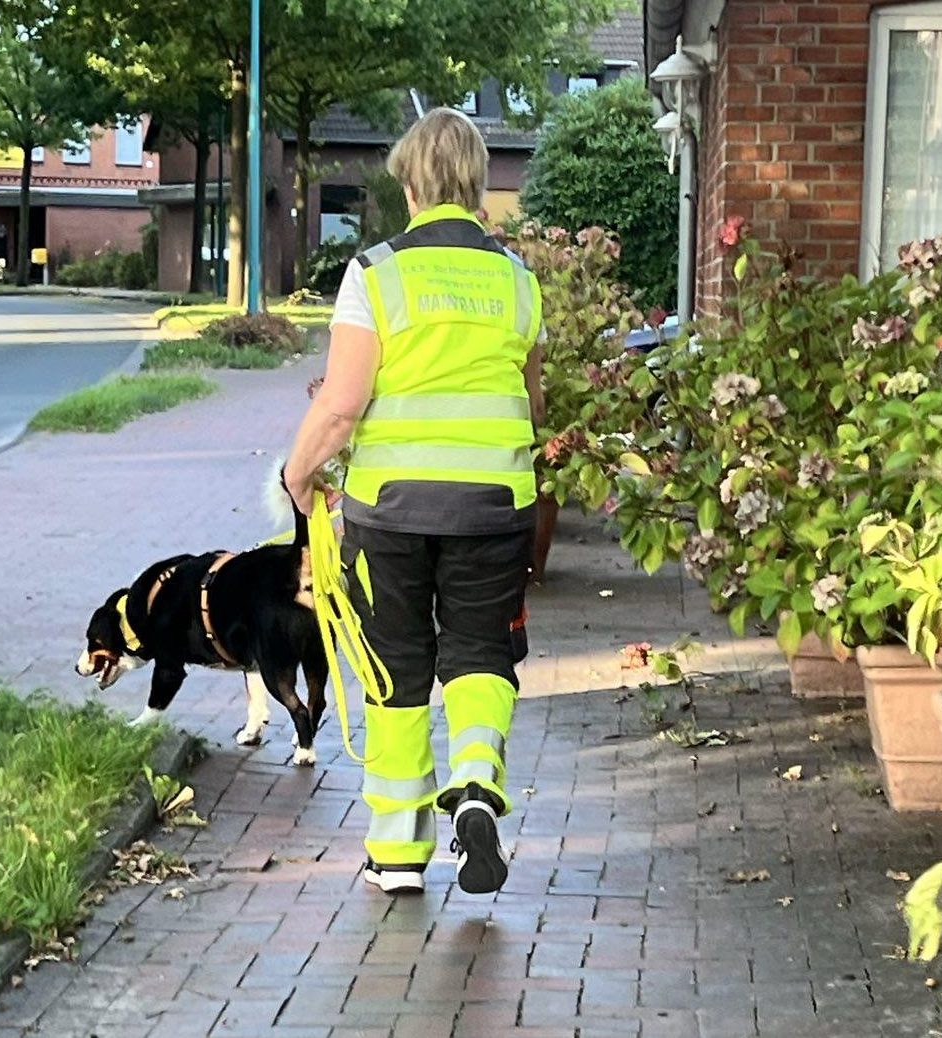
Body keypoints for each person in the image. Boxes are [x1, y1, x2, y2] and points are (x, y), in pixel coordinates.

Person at [283, 107, 544, 896]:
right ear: (475, 181)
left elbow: (341, 404)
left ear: (409, 182)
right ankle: (475, 787)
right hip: (495, 505)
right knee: (479, 654)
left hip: (389, 510)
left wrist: (299, 476)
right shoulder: (518, 280)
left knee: (396, 669)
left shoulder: (377, 274)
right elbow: (530, 406)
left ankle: (397, 854)